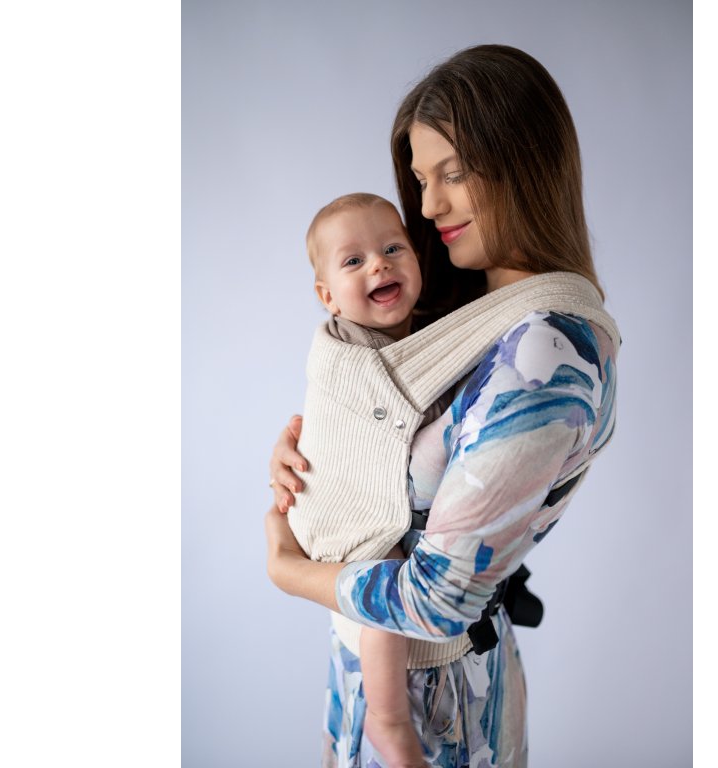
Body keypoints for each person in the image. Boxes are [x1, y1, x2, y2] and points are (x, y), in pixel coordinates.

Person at [265, 44, 620, 766]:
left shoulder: (542, 355)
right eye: (423, 180)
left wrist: (287, 568)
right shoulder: (467, 314)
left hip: (436, 707)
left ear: (523, 163)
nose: (427, 207)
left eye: (452, 173)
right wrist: (312, 453)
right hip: (380, 670)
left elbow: (435, 601)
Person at [294, 190, 451, 768]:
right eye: (354, 260)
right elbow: (337, 424)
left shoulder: (430, 337)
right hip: (343, 508)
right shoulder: (343, 350)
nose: (379, 266)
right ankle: (387, 718)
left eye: (392, 249)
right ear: (327, 297)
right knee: (382, 582)